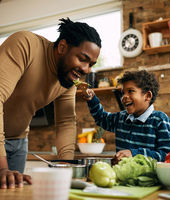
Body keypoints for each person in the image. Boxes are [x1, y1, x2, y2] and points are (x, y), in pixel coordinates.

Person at [0, 18, 101, 189]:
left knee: (12, 194)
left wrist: (66, 169)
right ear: (62, 47)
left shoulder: (67, 78)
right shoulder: (25, 45)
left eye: (91, 64)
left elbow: (66, 122)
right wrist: (2, 168)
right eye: (83, 59)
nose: (86, 70)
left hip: (18, 143)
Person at [83, 70, 170, 164]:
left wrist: (134, 154)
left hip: (149, 178)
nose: (124, 97)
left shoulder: (160, 120)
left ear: (147, 96)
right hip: (123, 176)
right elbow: (101, 118)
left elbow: (168, 156)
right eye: (123, 93)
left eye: (130, 91)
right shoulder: (121, 118)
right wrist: (92, 100)